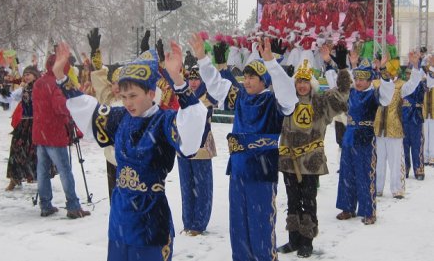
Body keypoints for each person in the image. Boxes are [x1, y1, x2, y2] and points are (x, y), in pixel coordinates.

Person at [52, 41, 207, 261]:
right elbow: (87, 108)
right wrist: (61, 77)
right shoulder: (120, 118)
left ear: (151, 93)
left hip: (150, 219)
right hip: (121, 218)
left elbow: (191, 129)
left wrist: (178, 80)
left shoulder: (163, 122)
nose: (127, 103)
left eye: (133, 96)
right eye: (123, 97)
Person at [189, 34, 298, 261]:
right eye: (246, 76)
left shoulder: (274, 101)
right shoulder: (239, 97)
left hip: (262, 170)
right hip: (238, 169)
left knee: (261, 224)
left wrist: (271, 63)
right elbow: (216, 85)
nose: (247, 81)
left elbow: (289, 96)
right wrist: (202, 59)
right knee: (238, 224)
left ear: (264, 81)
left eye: (252, 78)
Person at [277, 44, 350, 258]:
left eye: (305, 81)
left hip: (311, 160)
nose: (302, 85)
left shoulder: (321, 102)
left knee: (308, 200)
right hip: (289, 160)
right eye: (299, 81)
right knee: (292, 200)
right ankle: (293, 240)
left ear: (312, 83)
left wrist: (339, 66)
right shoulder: (286, 102)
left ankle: (307, 240)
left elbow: (343, 92)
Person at [336, 52, 395, 225]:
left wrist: (383, 70)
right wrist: (350, 65)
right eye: (357, 79)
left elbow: (387, 95)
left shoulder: (374, 94)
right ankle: (347, 207)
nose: (359, 82)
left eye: (363, 79)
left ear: (370, 80)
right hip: (349, 137)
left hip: (365, 137)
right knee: (347, 173)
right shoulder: (352, 91)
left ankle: (369, 210)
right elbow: (338, 82)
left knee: (365, 174)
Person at [32, 53, 90, 219]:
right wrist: (75, 102)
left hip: (40, 132)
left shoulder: (39, 82)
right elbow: (61, 107)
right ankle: (73, 206)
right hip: (54, 132)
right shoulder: (55, 84)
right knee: (65, 170)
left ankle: (45, 204)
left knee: (42, 170)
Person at [375, 53, 422, 199]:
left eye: (391, 68)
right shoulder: (376, 83)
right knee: (378, 160)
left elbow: (414, 83)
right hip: (378, 129)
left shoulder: (401, 86)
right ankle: (376, 188)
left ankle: (397, 189)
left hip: (394, 128)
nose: (389, 71)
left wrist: (415, 66)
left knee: (396, 161)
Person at [177, 66, 218, 236]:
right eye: (190, 79)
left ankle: (199, 224)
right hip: (183, 146)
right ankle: (187, 222)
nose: (193, 83)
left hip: (201, 146)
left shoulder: (208, 96)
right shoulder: (181, 97)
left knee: (202, 187)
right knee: (186, 187)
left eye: (197, 79)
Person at [87, 28, 122, 202]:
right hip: (111, 156)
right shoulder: (108, 99)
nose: (115, 87)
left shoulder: (136, 103)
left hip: (131, 158)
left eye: (120, 84)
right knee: (114, 196)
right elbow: (100, 82)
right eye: (114, 83)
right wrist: (96, 56)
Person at [5, 66, 41, 191]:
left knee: (35, 152)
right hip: (24, 124)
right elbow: (10, 97)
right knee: (16, 150)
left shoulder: (40, 88)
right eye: (25, 74)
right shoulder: (24, 89)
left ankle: (40, 178)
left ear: (35, 75)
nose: (26, 77)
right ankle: (14, 178)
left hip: (36, 123)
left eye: (29, 74)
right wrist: (4, 91)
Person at [402, 66, 426, 179]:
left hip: (416, 118)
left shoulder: (420, 85)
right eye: (407, 74)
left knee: (417, 145)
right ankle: (405, 167)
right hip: (404, 118)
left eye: (410, 73)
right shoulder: (402, 86)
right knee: (404, 145)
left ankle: (418, 168)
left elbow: (423, 92)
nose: (408, 76)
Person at [423, 55, 434, 165]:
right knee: (425, 132)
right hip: (426, 107)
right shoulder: (425, 72)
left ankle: (432, 156)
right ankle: (425, 156)